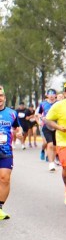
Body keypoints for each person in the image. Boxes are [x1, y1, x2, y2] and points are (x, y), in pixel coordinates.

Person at [0, 87, 23, 220]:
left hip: (5, 152)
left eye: (1, 95)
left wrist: (19, 133)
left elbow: (17, 127)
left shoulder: (12, 113)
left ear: (4, 97)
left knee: (5, 178)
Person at [37, 89, 58, 171]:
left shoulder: (59, 103)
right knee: (50, 144)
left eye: (53, 94)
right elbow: (39, 113)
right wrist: (41, 117)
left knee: (55, 146)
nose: (51, 95)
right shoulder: (43, 104)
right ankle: (51, 163)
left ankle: (53, 160)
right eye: (50, 94)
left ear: (55, 95)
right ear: (47, 95)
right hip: (46, 126)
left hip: (56, 126)